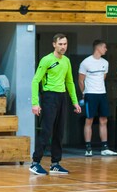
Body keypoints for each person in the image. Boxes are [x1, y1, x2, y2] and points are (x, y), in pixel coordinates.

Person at [29, 33, 81, 175]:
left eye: (65, 44)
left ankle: (55, 164)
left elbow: (69, 82)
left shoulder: (67, 61)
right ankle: (35, 162)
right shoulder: (46, 60)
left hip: (62, 97)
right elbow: (35, 81)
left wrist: (75, 102)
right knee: (47, 130)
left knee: (59, 132)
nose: (63, 47)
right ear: (54, 44)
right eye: (60, 44)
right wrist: (35, 103)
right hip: (49, 97)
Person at [79, 39, 117, 157]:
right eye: (104, 47)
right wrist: (84, 93)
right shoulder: (85, 62)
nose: (106, 49)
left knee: (104, 120)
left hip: (102, 94)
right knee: (89, 120)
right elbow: (81, 80)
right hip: (90, 94)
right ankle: (88, 148)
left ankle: (105, 147)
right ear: (98, 48)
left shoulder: (105, 63)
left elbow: (103, 78)